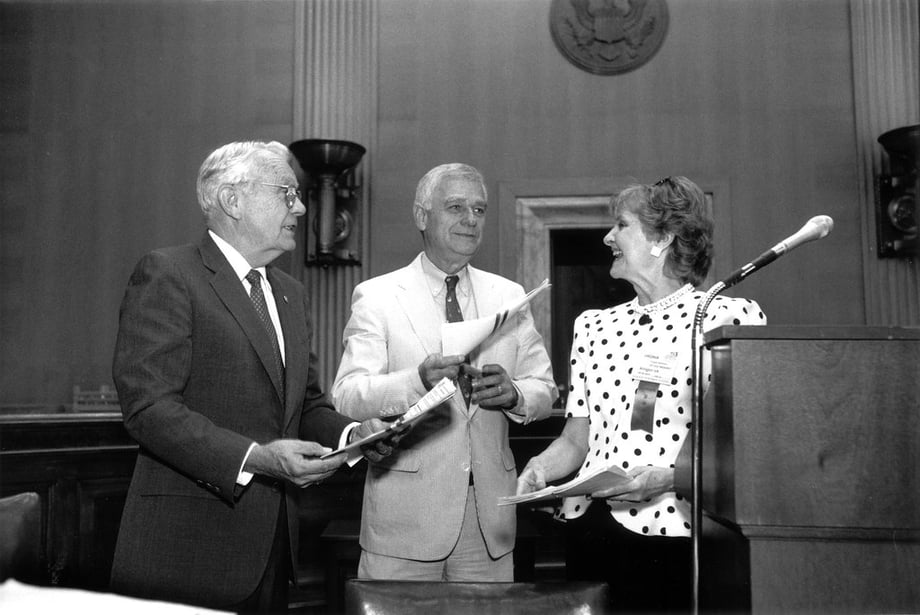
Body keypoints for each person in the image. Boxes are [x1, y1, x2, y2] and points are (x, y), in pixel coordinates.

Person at [110, 140, 399, 613]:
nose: (301, 207)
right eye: (287, 193)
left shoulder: (289, 293)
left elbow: (305, 404)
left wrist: (353, 434)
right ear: (232, 200)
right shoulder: (169, 273)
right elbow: (149, 409)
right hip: (184, 554)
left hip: (270, 553)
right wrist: (257, 458)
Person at [515, 176, 767, 612]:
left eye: (622, 225)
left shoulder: (723, 316)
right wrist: (540, 469)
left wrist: (668, 477)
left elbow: (741, 443)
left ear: (663, 238)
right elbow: (577, 439)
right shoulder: (593, 326)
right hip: (589, 527)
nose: (608, 237)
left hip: (675, 531)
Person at [330, 163, 558, 581]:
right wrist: (416, 381)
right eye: (456, 207)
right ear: (422, 215)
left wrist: (516, 395)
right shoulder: (378, 296)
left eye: (479, 209)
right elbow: (347, 393)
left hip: (490, 525)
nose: (470, 220)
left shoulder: (507, 296)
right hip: (404, 526)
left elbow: (545, 388)